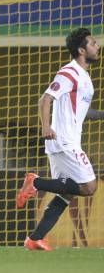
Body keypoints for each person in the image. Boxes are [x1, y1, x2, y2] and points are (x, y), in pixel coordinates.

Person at [15, 27, 103, 251]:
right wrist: (46, 126)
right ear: (82, 50)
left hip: (64, 141)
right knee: (89, 187)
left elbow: (83, 113)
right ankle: (34, 182)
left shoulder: (84, 78)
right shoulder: (69, 73)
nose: (98, 46)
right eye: (93, 43)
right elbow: (44, 100)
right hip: (64, 140)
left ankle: (35, 238)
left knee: (65, 194)